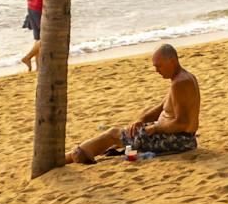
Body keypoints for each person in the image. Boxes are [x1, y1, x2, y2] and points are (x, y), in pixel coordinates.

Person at [65, 44, 200, 163]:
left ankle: (72, 156)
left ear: (171, 61)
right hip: (174, 136)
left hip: (178, 140)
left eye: (159, 66)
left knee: (113, 134)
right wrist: (141, 120)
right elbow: (161, 108)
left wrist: (156, 128)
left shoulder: (180, 83)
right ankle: (84, 151)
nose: (157, 70)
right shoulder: (182, 78)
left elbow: (182, 123)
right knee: (125, 133)